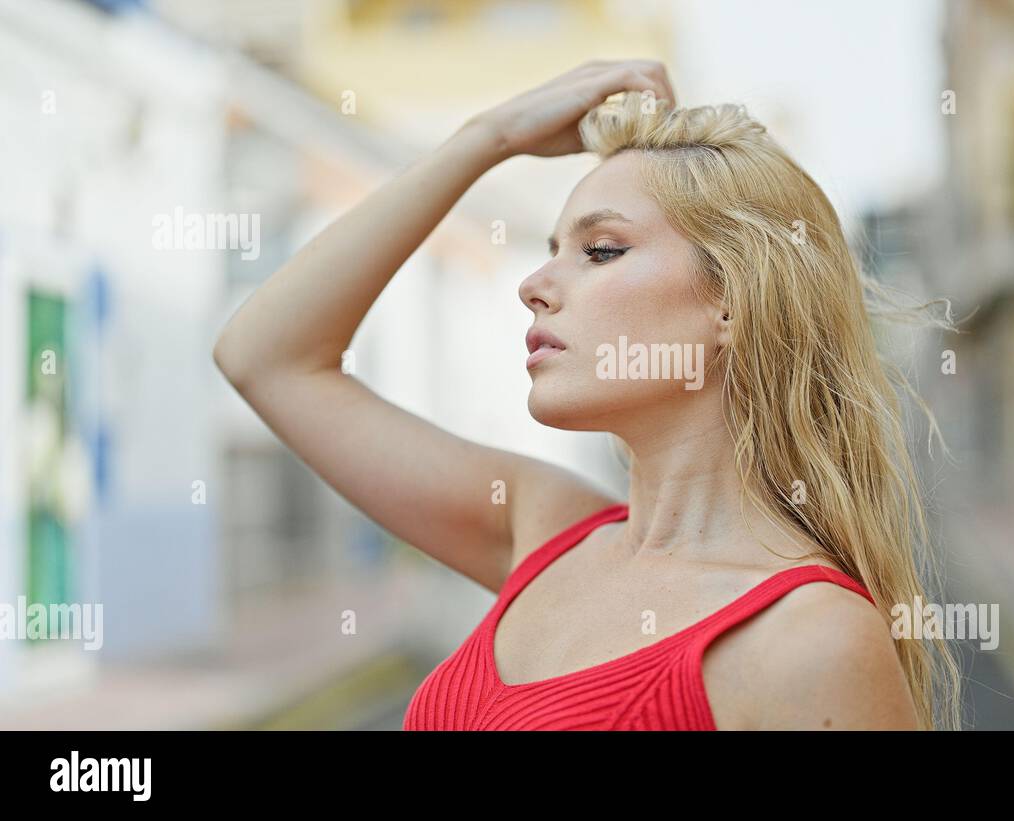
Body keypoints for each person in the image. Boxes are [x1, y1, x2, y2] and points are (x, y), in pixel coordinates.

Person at [213, 59, 960, 730]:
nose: (535, 287)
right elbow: (265, 357)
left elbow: (272, 361)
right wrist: (489, 137)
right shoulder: (541, 527)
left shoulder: (811, 636)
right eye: (552, 251)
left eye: (601, 250)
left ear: (733, 300)